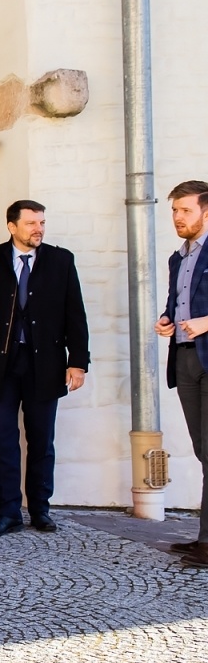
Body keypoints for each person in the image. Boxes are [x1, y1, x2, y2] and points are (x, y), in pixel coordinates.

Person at [0, 200, 90, 537]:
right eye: (32, 223)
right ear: (12, 226)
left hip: (45, 366)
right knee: (3, 441)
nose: (39, 229)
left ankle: (40, 510)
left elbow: (74, 313)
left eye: (42, 223)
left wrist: (78, 362)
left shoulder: (60, 261)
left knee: (41, 441)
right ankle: (7, 513)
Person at [155, 180, 208, 568]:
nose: (177, 217)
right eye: (174, 210)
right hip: (187, 358)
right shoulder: (180, 256)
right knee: (203, 451)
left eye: (185, 210)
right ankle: (204, 539)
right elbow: (178, 301)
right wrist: (167, 318)